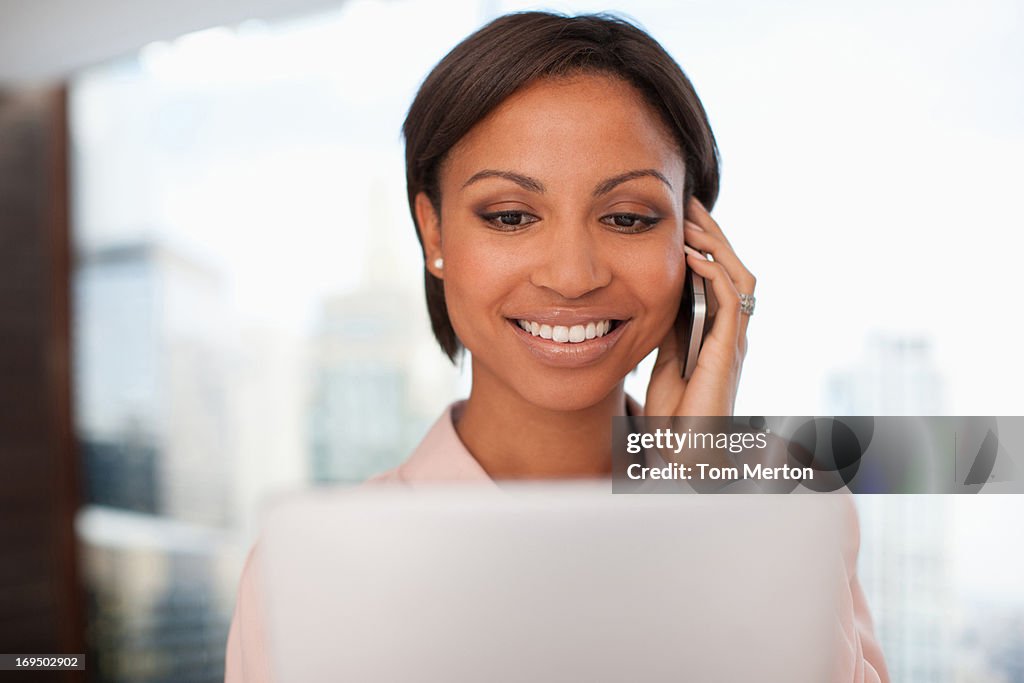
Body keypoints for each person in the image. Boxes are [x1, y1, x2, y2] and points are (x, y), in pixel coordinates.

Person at [226, 12, 888, 681]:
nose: (572, 276)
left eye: (628, 218)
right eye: (510, 216)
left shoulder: (784, 508)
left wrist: (695, 495)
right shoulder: (313, 569)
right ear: (434, 233)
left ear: (694, 246)